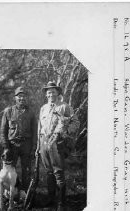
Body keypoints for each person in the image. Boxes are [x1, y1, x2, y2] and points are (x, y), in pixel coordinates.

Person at [37, 81, 80, 211]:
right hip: (44, 141)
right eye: (48, 92)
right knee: (49, 172)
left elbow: (76, 122)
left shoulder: (64, 107)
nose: (50, 94)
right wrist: (38, 145)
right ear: (46, 94)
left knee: (58, 173)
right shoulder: (43, 108)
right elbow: (40, 127)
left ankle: (61, 203)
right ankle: (51, 200)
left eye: (53, 91)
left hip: (57, 142)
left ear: (58, 93)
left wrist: (66, 133)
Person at [0, 86, 37, 191]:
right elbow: (3, 131)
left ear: (27, 98)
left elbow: (35, 131)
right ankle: (10, 193)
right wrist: (6, 147)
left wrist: (34, 147)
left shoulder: (31, 113)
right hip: (12, 146)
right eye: (19, 96)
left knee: (27, 170)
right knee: (10, 171)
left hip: (27, 145)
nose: (22, 98)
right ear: (15, 97)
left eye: (24, 96)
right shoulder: (8, 111)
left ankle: (25, 193)